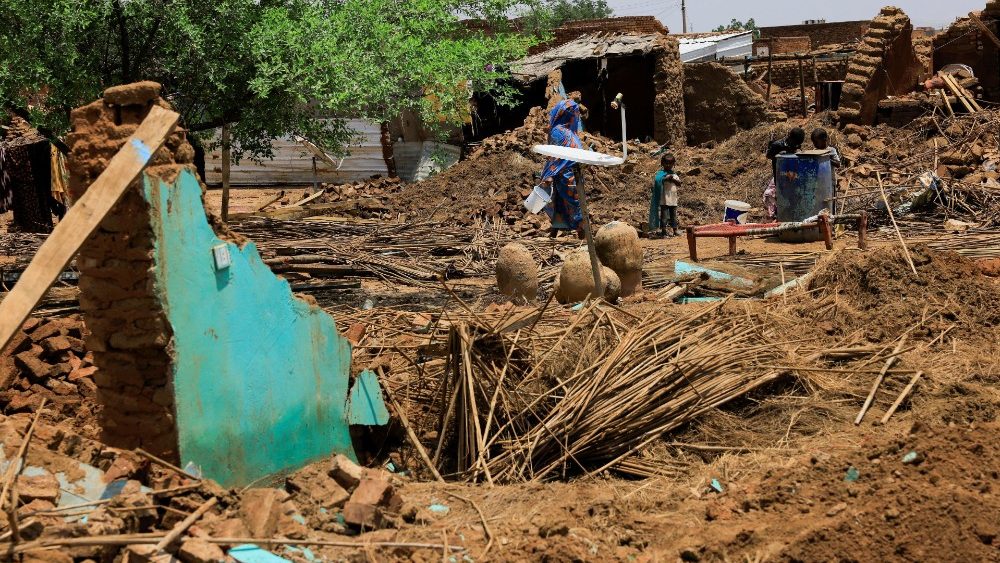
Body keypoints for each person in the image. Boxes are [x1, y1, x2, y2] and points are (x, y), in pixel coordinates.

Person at [540, 99, 586, 238]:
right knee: (568, 203)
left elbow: (554, 156)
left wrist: (549, 174)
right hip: (571, 175)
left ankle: (582, 233)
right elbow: (558, 155)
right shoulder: (569, 133)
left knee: (563, 202)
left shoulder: (558, 131)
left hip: (564, 174)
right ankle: (565, 231)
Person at [763, 127, 805, 222]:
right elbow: (768, 155)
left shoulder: (796, 144)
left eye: (798, 144)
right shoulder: (777, 145)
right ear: (790, 137)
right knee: (775, 196)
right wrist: (779, 155)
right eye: (795, 143)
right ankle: (776, 218)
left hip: (793, 176)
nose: (796, 146)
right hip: (780, 176)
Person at [648, 153, 681, 237]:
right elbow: (658, 181)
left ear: (673, 164)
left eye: (670, 163)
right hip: (664, 200)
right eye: (666, 163)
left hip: (673, 200)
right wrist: (665, 178)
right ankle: (663, 231)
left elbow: (679, 183)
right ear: (662, 163)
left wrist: (672, 179)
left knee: (673, 216)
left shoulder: (674, 175)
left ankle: (675, 230)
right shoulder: (660, 174)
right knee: (664, 217)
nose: (668, 165)